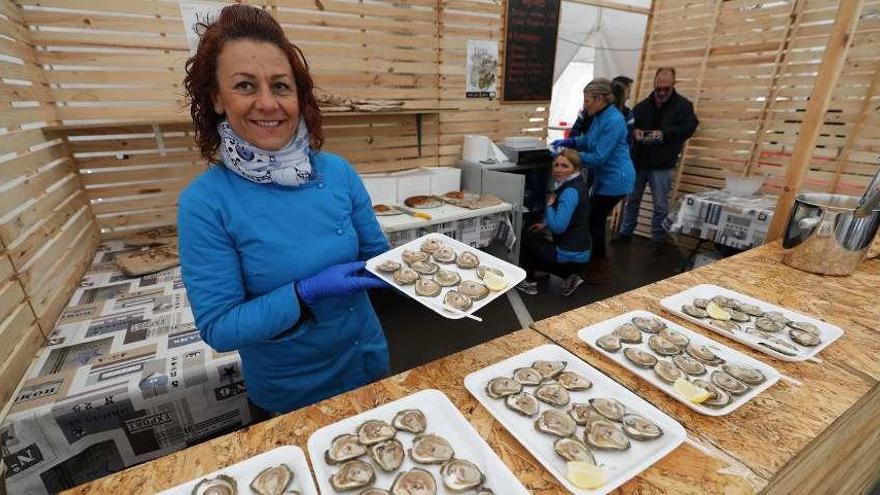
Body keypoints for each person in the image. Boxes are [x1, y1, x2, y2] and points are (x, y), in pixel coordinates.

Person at [177, 5, 391, 418]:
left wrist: (430, 268)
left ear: (298, 96)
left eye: (280, 86)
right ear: (217, 99)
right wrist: (303, 293)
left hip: (368, 363)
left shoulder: (337, 172)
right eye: (244, 85)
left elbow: (377, 256)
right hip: (293, 396)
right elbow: (220, 328)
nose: (267, 103)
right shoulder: (205, 203)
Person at [551, 78, 635, 280]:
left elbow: (598, 156)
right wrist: (571, 140)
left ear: (599, 99)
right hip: (606, 177)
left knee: (595, 221)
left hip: (617, 178)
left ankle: (599, 267)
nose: (585, 104)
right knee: (593, 220)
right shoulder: (600, 116)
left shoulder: (614, 120)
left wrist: (568, 156)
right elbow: (588, 140)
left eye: (587, 100)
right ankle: (593, 261)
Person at [615, 67, 698, 246]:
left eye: (665, 89)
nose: (661, 92)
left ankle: (658, 240)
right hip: (639, 160)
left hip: (663, 163)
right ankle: (625, 233)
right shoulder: (642, 106)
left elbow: (690, 127)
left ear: (673, 85)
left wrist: (665, 134)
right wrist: (634, 132)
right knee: (632, 201)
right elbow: (628, 127)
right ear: (654, 83)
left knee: (660, 205)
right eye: (658, 87)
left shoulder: (683, 106)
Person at [516, 149, 591, 297]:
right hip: (582, 253)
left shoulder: (569, 192)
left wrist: (549, 205)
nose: (558, 169)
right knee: (538, 234)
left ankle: (528, 282)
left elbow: (558, 228)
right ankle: (571, 276)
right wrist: (545, 224)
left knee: (528, 235)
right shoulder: (579, 184)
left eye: (564, 166)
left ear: (575, 168)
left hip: (569, 254)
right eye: (556, 165)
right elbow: (573, 218)